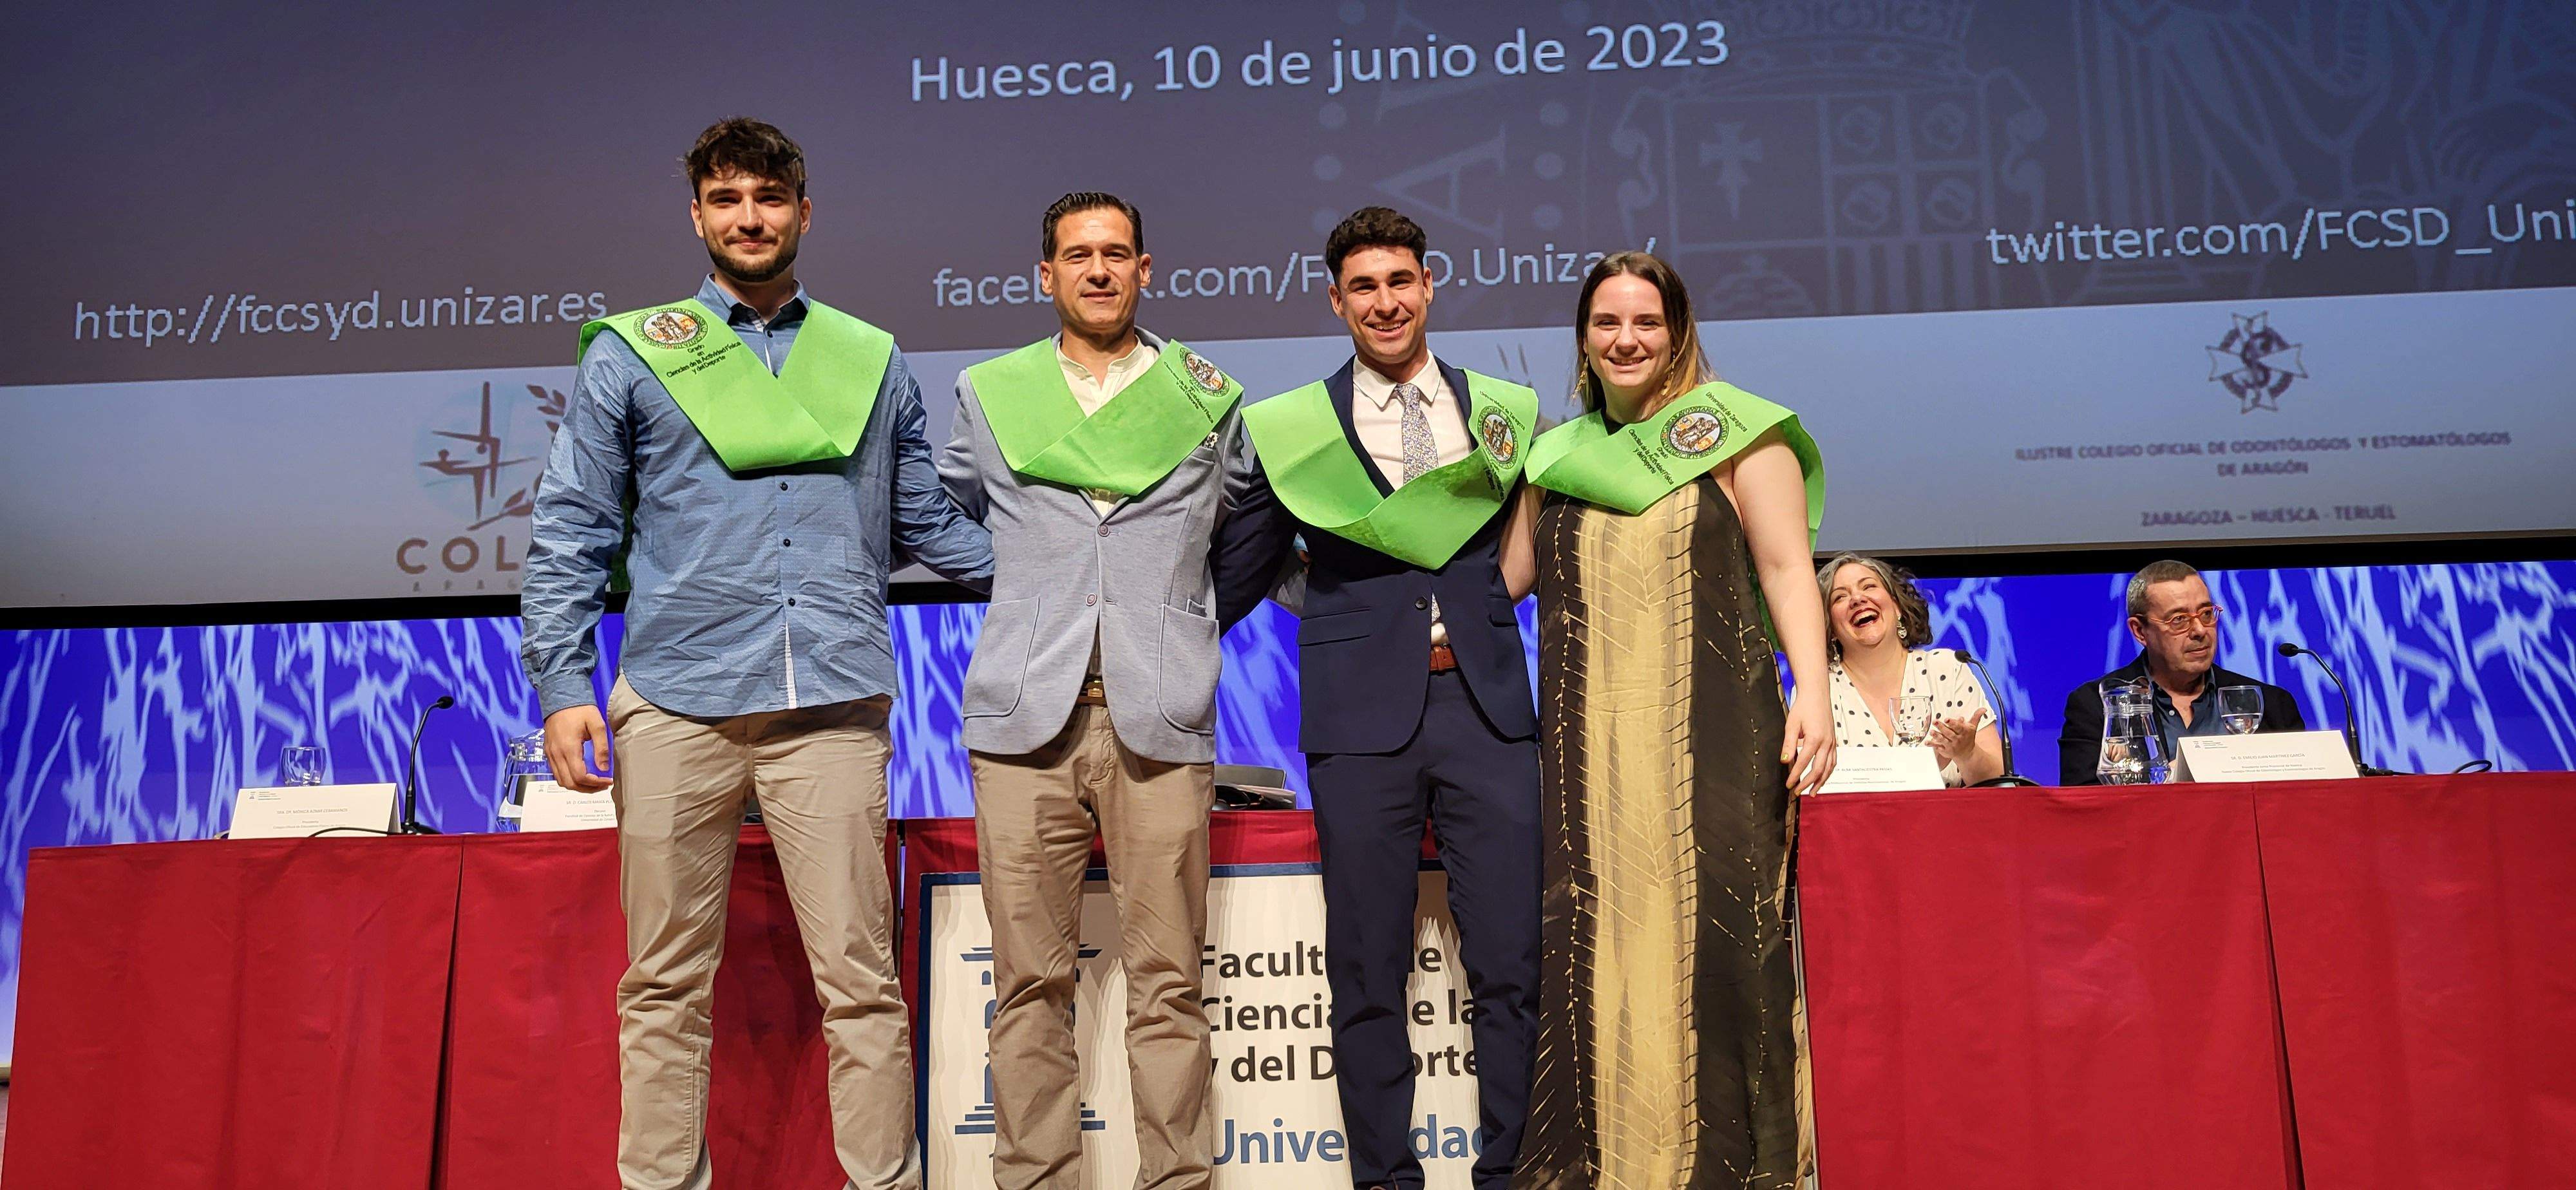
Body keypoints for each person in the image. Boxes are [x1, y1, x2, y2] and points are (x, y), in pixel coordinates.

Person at [520, 118, 992, 1190]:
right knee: (663, 982)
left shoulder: (869, 356)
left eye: (768, 198)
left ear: (803, 212)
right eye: (726, 199)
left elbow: (926, 521)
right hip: (677, 700)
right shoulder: (635, 351)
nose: (749, 217)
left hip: (828, 701)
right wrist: (562, 684)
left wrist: (1077, 564)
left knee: (864, 979)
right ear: (697, 216)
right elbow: (571, 527)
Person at [1213, 207, 1542, 1190]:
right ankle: (1386, 1180)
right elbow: (1240, 571)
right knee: (1363, 972)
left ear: (1430, 285)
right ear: (1336, 300)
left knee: (1514, 966)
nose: (1386, 302)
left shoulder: (1501, 410)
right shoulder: (1297, 428)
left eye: (1401, 281)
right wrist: (1145, 642)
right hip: (1360, 724)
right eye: (1364, 287)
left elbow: (1538, 549)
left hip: (1487, 714)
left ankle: (1513, 1175)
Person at [938, 191, 1257, 1190]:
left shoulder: (1207, 395)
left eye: (1117, 254)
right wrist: (1028, 590)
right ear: (1047, 276)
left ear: (1146, 268)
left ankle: (1179, 1180)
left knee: (1171, 987)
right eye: (1078, 256)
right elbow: (947, 513)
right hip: (1023, 720)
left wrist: (1190, 613)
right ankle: (1035, 1180)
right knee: (1029, 984)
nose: (1099, 271)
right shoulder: (991, 393)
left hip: (1160, 717)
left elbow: (1248, 522)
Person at [1501, 250, 1833, 1189]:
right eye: (1606, 323)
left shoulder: (1737, 435)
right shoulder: (1557, 457)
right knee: (1594, 945)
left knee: (1725, 947)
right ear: (1583, 340)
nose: (1626, 340)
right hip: (1588, 750)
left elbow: (1783, 571)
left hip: (1718, 739)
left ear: (1678, 332)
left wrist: (1814, 691)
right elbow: (1500, 587)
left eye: (1645, 322)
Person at [2056, 560, 2307, 784]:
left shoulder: (2270, 704)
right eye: (2179, 620)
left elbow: (2303, 795)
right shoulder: (2095, 706)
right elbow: (2083, 805)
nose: (2199, 630)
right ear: (2140, 632)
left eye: (2206, 614)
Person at [1817, 552, 2002, 786]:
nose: (1857, 599)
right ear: (1831, 627)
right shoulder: (1818, 689)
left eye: (1869, 586)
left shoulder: (1947, 670)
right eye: (1840, 597)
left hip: (1950, 821)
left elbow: (2000, 782)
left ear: (1897, 607)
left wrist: (1967, 754)